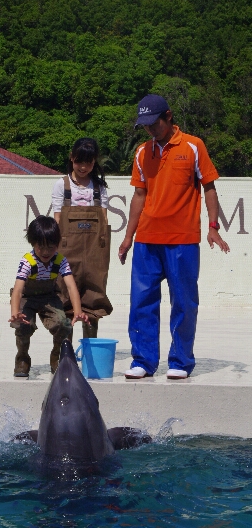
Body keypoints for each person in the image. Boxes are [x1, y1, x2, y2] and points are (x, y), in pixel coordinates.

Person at [118, 94, 230, 380]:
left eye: (154, 123)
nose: (150, 130)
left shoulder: (193, 146)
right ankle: (143, 360)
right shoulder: (142, 153)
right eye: (144, 125)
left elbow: (209, 187)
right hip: (146, 240)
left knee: (183, 301)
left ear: (168, 116)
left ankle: (180, 360)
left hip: (182, 239)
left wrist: (213, 226)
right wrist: (128, 237)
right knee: (142, 301)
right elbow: (139, 196)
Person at [9, 215, 88, 378]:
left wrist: (78, 311)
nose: (45, 252)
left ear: (57, 244)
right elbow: (17, 290)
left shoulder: (60, 261)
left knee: (63, 325)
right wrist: (15, 312)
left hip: (48, 297)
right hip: (27, 298)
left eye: (51, 247)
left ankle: (57, 357)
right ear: (32, 243)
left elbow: (71, 286)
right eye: (41, 247)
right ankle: (22, 359)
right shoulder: (28, 261)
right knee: (24, 326)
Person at [52, 137, 113, 339]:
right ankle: (65, 347)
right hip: (67, 247)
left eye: (88, 162)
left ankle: (90, 347)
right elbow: (58, 218)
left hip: (95, 248)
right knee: (65, 292)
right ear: (71, 158)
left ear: (94, 162)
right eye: (79, 161)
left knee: (94, 294)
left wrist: (102, 244)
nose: (83, 167)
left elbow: (103, 218)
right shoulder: (62, 185)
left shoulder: (99, 187)